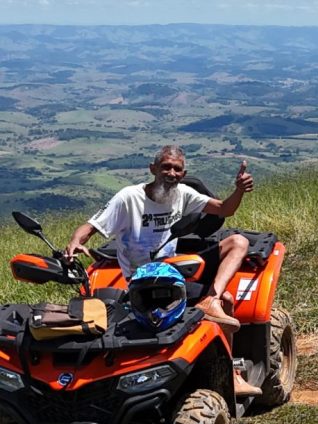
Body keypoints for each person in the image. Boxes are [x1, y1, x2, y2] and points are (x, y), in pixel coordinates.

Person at [65, 145, 262, 396]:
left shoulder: (183, 194)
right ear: (153, 169)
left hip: (172, 271)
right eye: (166, 167)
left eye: (177, 169)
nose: (171, 173)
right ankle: (219, 370)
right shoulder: (129, 197)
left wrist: (239, 190)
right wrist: (75, 242)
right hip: (142, 280)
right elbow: (91, 225)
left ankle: (213, 313)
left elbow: (224, 209)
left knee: (238, 244)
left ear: (183, 174)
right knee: (228, 302)